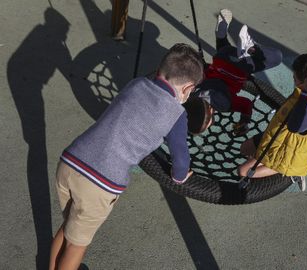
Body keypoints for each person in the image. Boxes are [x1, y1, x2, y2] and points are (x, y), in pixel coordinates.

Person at [48, 43, 204, 270]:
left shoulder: (137, 83)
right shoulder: (177, 114)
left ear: (160, 70)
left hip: (71, 160)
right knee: (77, 245)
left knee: (69, 225)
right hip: (98, 182)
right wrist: (180, 176)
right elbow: (180, 162)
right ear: (188, 88)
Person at [238, 51, 307, 191]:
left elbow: (295, 126)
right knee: (244, 148)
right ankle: (262, 159)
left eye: (295, 78)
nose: (293, 79)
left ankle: (292, 173)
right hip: (280, 138)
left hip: (288, 155)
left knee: (243, 171)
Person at [190, 9, 282, 136]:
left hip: (240, 68)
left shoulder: (224, 105)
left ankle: (251, 49)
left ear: (211, 113)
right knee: (224, 49)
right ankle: (221, 34)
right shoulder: (191, 93)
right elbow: (201, 71)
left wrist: (244, 121)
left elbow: (246, 104)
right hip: (221, 58)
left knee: (276, 58)